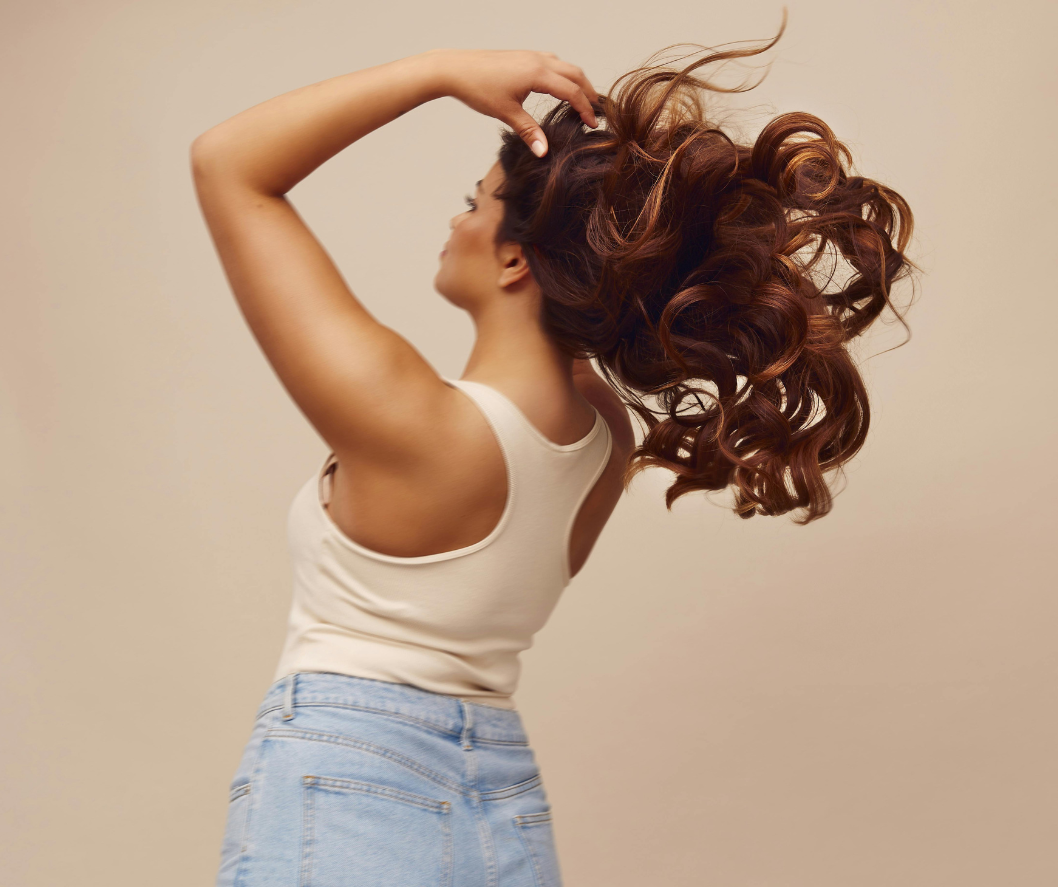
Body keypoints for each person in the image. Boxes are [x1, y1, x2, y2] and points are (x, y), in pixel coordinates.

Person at [192, 14, 916, 886]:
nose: (455, 218)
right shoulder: (599, 437)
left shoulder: (415, 425)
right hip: (498, 793)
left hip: (349, 775)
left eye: (474, 203)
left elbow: (228, 164)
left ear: (514, 262)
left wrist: (438, 70)